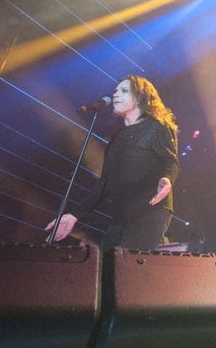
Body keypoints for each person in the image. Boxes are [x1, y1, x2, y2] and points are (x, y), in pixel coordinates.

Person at [45, 75, 179, 251]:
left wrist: (166, 179)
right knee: (107, 265)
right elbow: (105, 184)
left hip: (150, 210)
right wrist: (74, 215)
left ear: (140, 97)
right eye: (115, 91)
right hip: (121, 214)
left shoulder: (156, 126)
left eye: (124, 91)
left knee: (126, 267)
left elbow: (170, 161)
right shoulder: (117, 138)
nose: (115, 95)